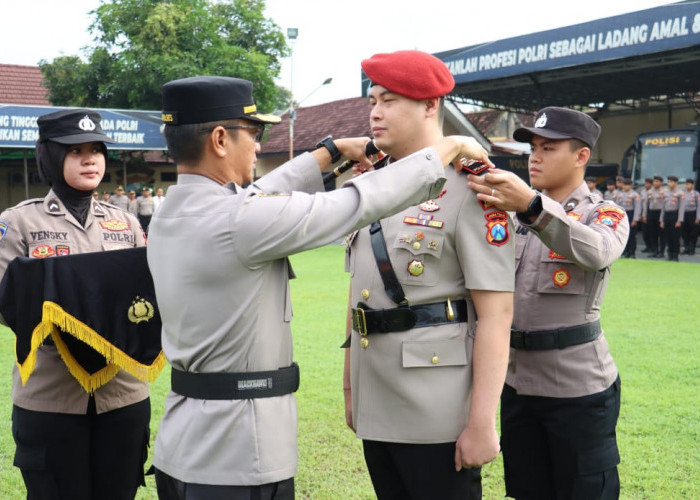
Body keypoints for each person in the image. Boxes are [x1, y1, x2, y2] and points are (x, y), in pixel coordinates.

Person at [146, 75, 493, 499]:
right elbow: (357, 202)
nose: (258, 147)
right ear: (220, 140)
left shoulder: (171, 212)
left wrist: (328, 154)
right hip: (237, 457)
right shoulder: (239, 222)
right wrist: (449, 148)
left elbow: (255, 197)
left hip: (183, 448)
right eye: (253, 135)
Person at [342, 50, 514, 500]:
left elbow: (496, 315)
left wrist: (482, 421)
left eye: (391, 100)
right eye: (373, 100)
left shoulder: (473, 188)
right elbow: (360, 292)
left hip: (437, 407)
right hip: (375, 392)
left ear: (430, 106)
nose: (376, 112)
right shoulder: (372, 187)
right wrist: (349, 384)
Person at [468, 106, 628, 499]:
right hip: (516, 384)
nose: (534, 157)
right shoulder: (506, 216)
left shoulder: (603, 213)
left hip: (578, 388)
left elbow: (599, 251)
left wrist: (533, 208)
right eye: (533, 147)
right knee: (526, 489)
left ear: (581, 156)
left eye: (548, 147)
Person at [0, 109, 150, 499]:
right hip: (50, 397)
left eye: (97, 150)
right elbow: (3, 299)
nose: (90, 159)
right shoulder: (20, 223)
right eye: (75, 150)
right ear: (50, 156)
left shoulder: (126, 224)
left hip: (122, 394)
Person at [659, 174, 684, 261]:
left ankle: (675, 255)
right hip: (667, 215)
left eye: (671, 182)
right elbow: (663, 207)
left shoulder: (680, 193)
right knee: (667, 235)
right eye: (668, 182)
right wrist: (661, 220)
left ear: (676, 183)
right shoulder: (665, 193)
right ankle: (669, 254)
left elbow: (681, 208)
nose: (669, 183)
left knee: (675, 236)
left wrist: (679, 220)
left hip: (675, 215)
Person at [617, 178, 641, 258]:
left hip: (631, 214)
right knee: (623, 234)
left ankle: (632, 252)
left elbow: (637, 208)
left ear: (630, 185)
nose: (625, 187)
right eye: (624, 185)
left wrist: (635, 219)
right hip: (622, 215)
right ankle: (625, 251)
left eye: (626, 185)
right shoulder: (619, 194)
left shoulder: (635, 195)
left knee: (631, 235)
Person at [645, 175, 665, 257]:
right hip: (651, 213)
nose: (655, 183)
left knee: (661, 234)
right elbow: (646, 204)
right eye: (654, 181)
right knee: (653, 233)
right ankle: (655, 250)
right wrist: (645, 215)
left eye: (657, 181)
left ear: (661, 182)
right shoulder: (649, 192)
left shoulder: (664, 192)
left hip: (660, 212)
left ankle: (662, 251)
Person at [680, 178, 700, 254]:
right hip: (684, 214)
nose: (687, 186)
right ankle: (686, 248)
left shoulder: (696, 194)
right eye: (686, 184)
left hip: (693, 214)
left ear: (692, 185)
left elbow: (699, 206)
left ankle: (692, 249)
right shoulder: (683, 194)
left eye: (688, 184)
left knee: (693, 233)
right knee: (684, 232)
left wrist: (698, 218)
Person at [639, 177, 653, 252]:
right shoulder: (642, 192)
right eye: (645, 183)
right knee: (645, 233)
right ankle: (647, 246)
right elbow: (641, 204)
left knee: (651, 232)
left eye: (648, 183)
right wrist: (641, 214)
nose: (646, 185)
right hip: (643, 212)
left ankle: (652, 247)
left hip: (650, 213)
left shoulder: (653, 192)